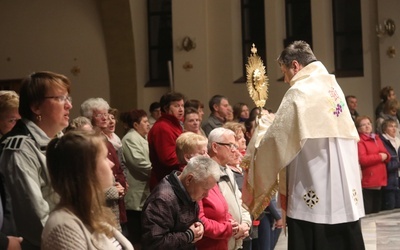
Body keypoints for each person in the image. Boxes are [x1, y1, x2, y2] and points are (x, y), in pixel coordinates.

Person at [242, 41, 365, 249]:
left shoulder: (300, 91)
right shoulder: (333, 87)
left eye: (284, 71)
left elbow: (276, 141)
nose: (285, 78)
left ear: (296, 66)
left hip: (312, 186)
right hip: (343, 190)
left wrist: (262, 130)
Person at [0, 71, 73, 249]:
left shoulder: (58, 140)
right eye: (60, 98)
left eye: (68, 97)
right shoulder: (20, 149)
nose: (69, 105)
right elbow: (35, 216)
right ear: (36, 107)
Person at [41, 131, 133, 250]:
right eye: (105, 158)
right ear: (86, 170)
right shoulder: (64, 227)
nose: (111, 164)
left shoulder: (91, 211)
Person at [141, 155, 220, 250]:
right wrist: (189, 235)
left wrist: (199, 224)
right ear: (189, 179)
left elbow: (188, 220)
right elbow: (154, 243)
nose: (207, 195)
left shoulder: (189, 190)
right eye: (205, 189)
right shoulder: (161, 200)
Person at [80, 98, 128, 233]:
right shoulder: (88, 143)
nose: (105, 118)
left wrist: (121, 185)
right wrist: (113, 190)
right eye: (100, 115)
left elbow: (118, 167)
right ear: (89, 117)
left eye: (106, 113)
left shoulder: (108, 140)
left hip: (116, 199)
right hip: (100, 203)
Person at [208, 127, 251, 250]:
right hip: (219, 242)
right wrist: (236, 229)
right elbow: (214, 212)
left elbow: (240, 201)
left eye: (235, 146)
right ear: (215, 147)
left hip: (237, 239)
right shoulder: (208, 174)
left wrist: (246, 223)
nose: (234, 151)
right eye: (231, 146)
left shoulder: (227, 169)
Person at [120, 109, 152, 249]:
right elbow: (139, 163)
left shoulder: (141, 137)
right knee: (137, 235)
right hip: (136, 193)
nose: (148, 124)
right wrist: (157, 172)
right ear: (135, 125)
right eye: (144, 122)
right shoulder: (130, 138)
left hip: (144, 190)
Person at [148, 92, 185, 190]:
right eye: (176, 106)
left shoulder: (174, 124)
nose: (181, 109)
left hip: (174, 180)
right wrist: (190, 157)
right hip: (166, 182)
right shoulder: (162, 127)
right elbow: (168, 159)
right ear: (166, 108)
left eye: (182, 105)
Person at [356, 116, 390, 214]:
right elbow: (363, 159)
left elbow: (386, 154)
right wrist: (380, 157)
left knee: (377, 213)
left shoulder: (377, 138)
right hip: (369, 181)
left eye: (368, 124)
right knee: (369, 213)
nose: (367, 126)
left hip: (380, 180)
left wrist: (385, 156)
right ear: (359, 129)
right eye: (363, 125)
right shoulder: (360, 141)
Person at [379, 118, 400, 210]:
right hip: (389, 181)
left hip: (398, 180)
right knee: (390, 210)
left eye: (395, 126)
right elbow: (385, 164)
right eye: (391, 126)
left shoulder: (398, 141)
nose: (394, 129)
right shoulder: (382, 142)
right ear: (385, 129)